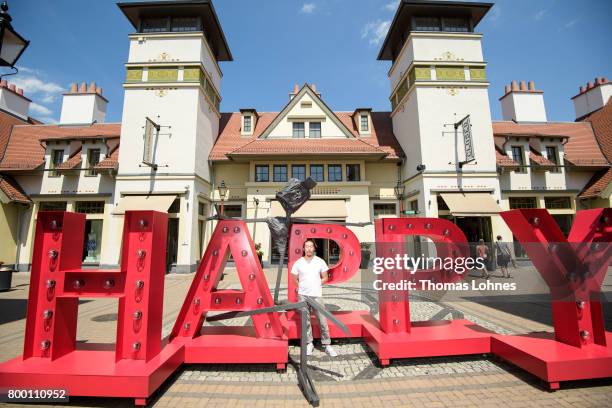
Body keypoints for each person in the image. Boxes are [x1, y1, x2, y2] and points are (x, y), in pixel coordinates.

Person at [290, 239, 337, 357]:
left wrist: (316, 283)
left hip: (317, 295)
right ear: (303, 249)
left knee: (322, 320)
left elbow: (325, 277)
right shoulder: (298, 263)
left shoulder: (320, 262)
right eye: (307, 246)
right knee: (305, 321)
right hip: (303, 296)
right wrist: (301, 287)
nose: (309, 248)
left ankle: (327, 345)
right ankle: (309, 343)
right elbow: (294, 278)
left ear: (314, 248)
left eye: (311, 246)